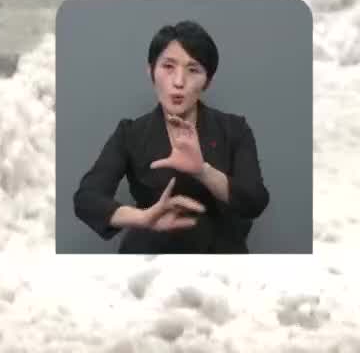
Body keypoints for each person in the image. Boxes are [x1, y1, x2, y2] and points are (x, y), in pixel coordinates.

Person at [71, 20, 271, 254]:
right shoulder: (130, 133)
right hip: (147, 260)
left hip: (220, 262)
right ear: (151, 71)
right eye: (168, 67)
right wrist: (144, 217)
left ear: (208, 81)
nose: (178, 82)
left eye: (193, 69)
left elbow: (255, 200)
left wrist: (202, 171)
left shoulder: (234, 128)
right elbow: (87, 199)